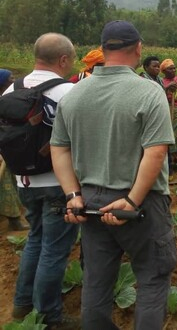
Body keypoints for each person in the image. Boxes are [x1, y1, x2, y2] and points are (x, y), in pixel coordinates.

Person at [50, 20, 177, 330]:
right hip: (140, 205)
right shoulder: (149, 92)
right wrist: (131, 202)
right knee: (152, 278)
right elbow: (156, 151)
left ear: (103, 50)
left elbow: (59, 149)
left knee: (96, 283)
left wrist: (73, 196)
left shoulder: (75, 95)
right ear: (138, 49)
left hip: (90, 204)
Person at [7, 34, 79, 329]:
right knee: (55, 248)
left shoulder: (13, 88)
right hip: (57, 183)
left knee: (35, 239)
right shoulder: (68, 92)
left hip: (23, 181)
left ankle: (22, 304)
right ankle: (50, 314)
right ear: (63, 60)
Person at [0, 69, 28, 231]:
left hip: (7, 151)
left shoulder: (7, 100)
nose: (14, 80)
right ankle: (14, 220)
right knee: (6, 186)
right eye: (10, 78)